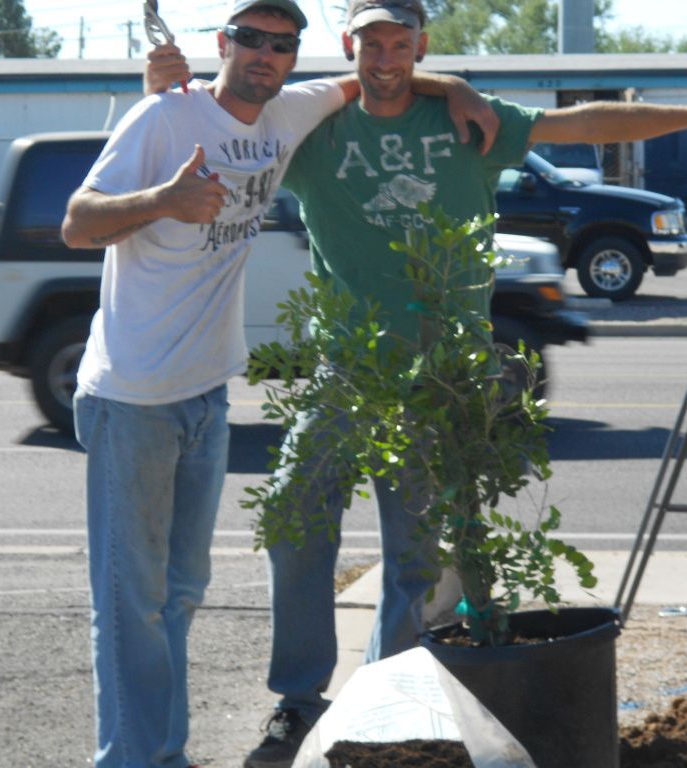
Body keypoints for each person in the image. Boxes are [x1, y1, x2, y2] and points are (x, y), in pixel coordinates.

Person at [146, 4, 687, 766]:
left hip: (442, 377)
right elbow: (229, 111)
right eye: (371, 41)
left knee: (418, 557)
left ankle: (383, 702)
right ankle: (301, 699)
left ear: (420, 47)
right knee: (293, 518)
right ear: (350, 46)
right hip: (350, 370)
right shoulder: (315, 126)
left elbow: (585, 127)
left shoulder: (469, 125)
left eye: (401, 44)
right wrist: (166, 89)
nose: (384, 57)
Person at [63, 1, 496, 765]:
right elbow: (78, 221)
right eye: (253, 39)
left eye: (283, 44)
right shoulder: (165, 118)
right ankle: (135, 760)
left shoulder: (287, 113)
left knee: (179, 594)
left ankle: (162, 753)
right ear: (222, 43)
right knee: (132, 604)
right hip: (131, 397)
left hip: (203, 396)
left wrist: (455, 84)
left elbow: (382, 72)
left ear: (298, 56)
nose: (267, 54)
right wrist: (163, 199)